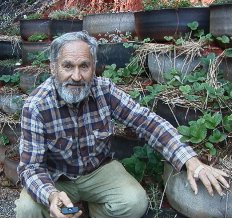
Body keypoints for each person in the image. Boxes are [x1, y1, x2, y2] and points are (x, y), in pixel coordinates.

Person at [15, 31, 229, 218]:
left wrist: (191, 161)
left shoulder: (104, 91)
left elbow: (147, 122)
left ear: (94, 67)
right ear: (53, 68)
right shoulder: (36, 106)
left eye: (84, 66)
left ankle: (91, 212)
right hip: (56, 178)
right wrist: (51, 195)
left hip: (97, 171)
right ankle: (63, 205)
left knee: (134, 202)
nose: (77, 76)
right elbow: (31, 168)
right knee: (27, 209)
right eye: (68, 66)